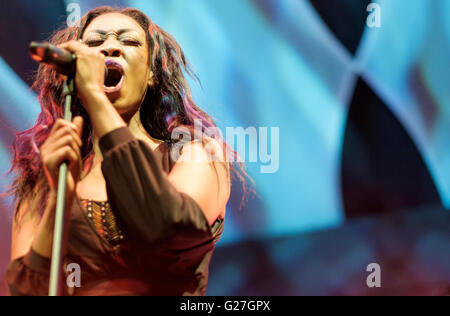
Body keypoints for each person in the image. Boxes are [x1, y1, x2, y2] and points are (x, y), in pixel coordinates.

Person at [5, 6, 250, 296]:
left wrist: (96, 97)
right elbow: (23, 290)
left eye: (128, 41)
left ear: (150, 74)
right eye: (95, 43)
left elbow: (167, 229)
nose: (110, 47)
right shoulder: (47, 175)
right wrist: (60, 199)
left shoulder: (193, 155)